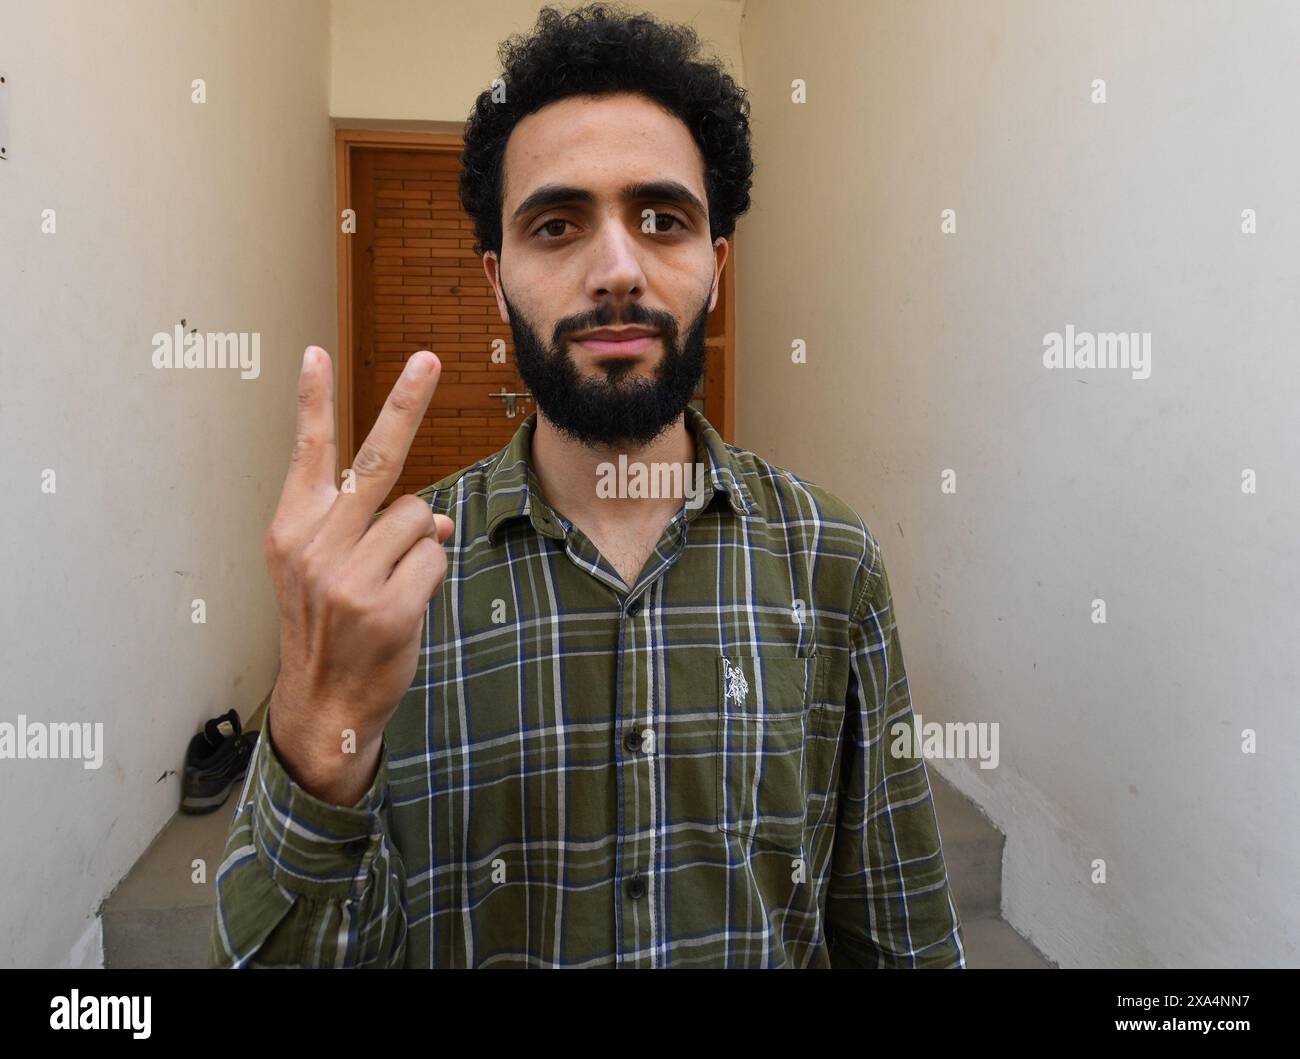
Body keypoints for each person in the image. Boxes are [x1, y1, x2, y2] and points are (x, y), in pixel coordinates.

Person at [210, 2, 965, 968]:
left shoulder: (832, 561)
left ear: (715, 266)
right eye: (557, 224)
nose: (617, 269)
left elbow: (901, 931)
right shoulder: (393, 593)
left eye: (663, 219)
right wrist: (316, 733)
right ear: (496, 281)